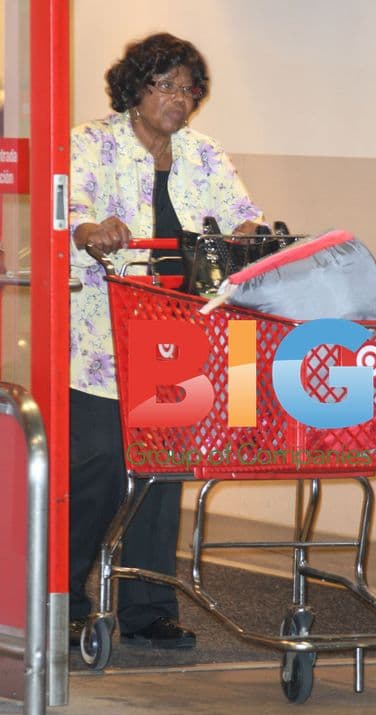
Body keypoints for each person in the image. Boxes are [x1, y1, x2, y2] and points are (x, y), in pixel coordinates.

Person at [69, 32, 263, 649]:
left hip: (179, 339)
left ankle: (148, 608)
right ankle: (67, 597)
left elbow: (241, 212)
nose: (180, 99)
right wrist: (91, 229)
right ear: (136, 87)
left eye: (190, 88)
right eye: (166, 85)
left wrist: (252, 231)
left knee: (163, 468)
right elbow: (70, 209)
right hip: (101, 336)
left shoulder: (202, 153)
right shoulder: (91, 142)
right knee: (99, 463)